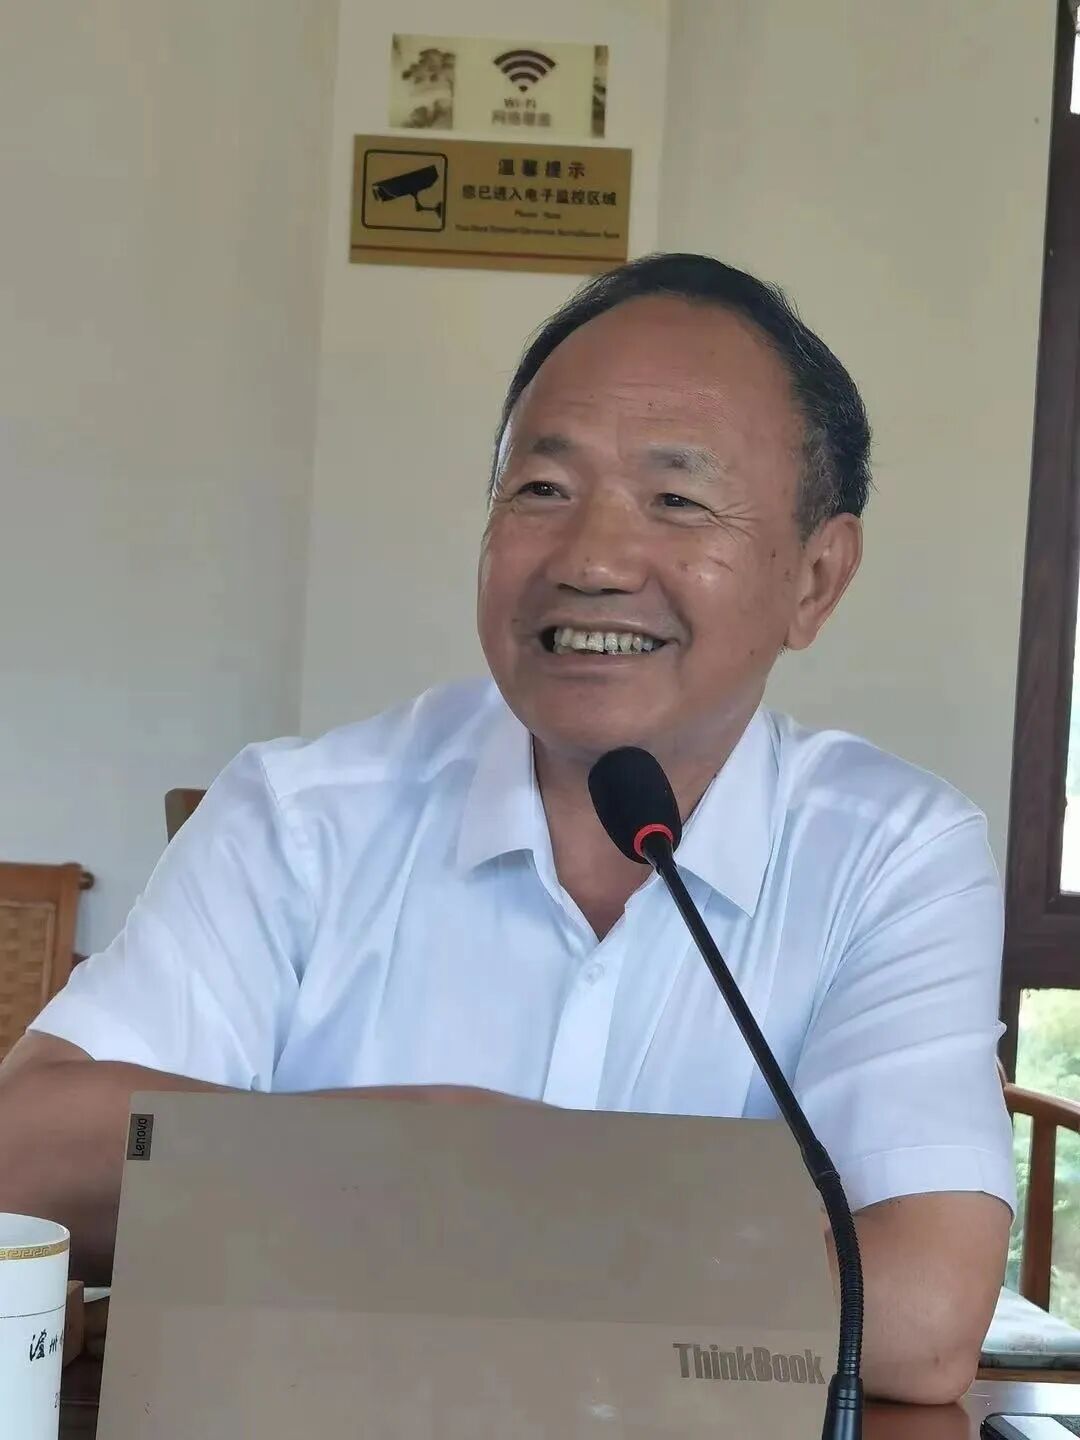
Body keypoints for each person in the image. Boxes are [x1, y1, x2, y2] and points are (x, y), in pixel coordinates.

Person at [0, 253, 1013, 1404]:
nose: (591, 560)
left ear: (816, 579)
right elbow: (23, 1156)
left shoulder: (891, 854)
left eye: (678, 500)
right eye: (541, 488)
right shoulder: (302, 816)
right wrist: (417, 1147)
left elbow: (920, 1312)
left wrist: (450, 1189)